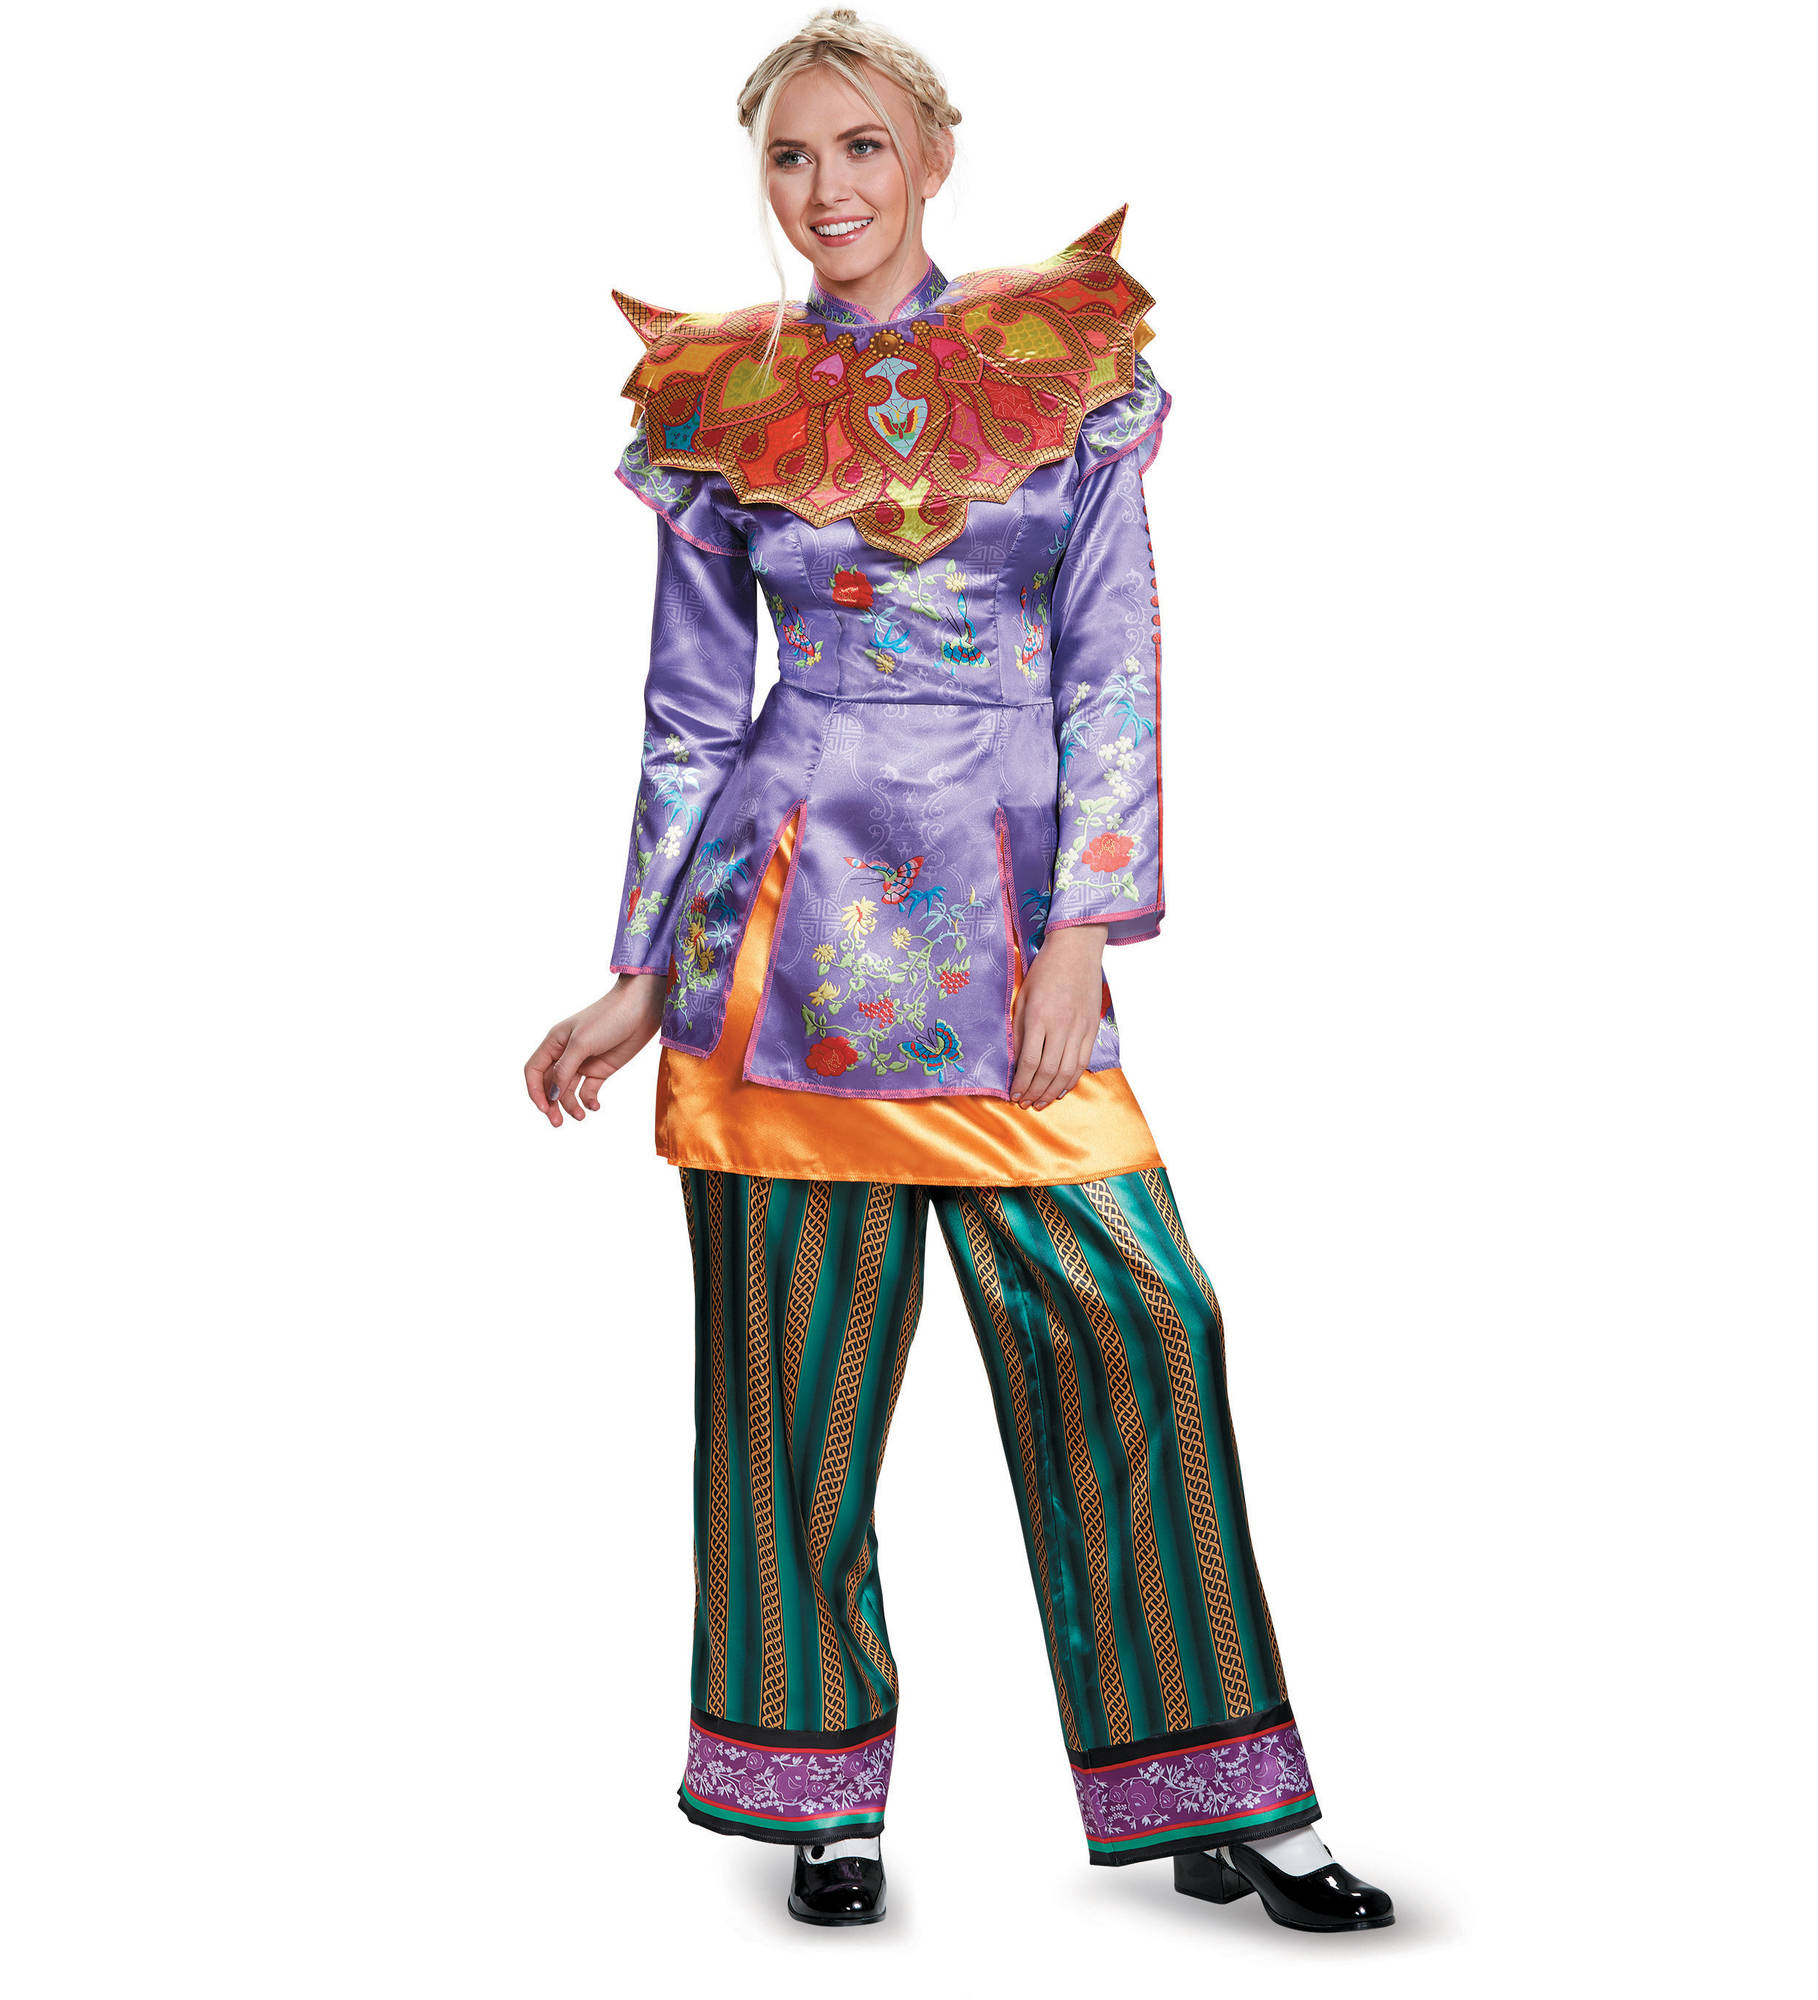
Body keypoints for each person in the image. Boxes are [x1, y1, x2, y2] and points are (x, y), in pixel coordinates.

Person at [523, 7, 1394, 1935]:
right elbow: (691, 708)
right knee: (790, 1392)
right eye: (790, 155)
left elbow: (1111, 660)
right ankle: (818, 1800)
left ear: (930, 157)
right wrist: (637, 974)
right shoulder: (721, 398)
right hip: (775, 948)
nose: (825, 187)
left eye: (861, 147)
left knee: (1145, 1319)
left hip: (1005, 940)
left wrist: (1087, 927)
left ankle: (1220, 1792)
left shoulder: (1058, 366)